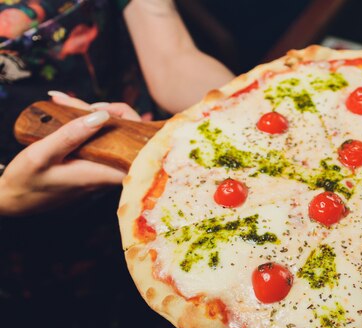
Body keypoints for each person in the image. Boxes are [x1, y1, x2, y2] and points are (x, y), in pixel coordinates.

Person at [0, 0, 234, 215]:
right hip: (40, 232)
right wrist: (8, 197)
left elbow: (172, 57)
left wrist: (243, 111)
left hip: (158, 141)